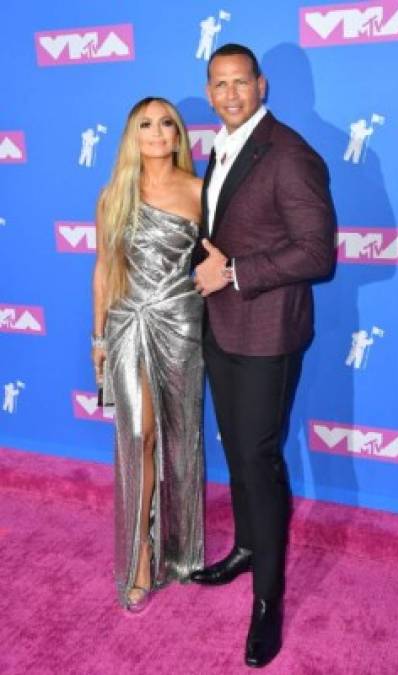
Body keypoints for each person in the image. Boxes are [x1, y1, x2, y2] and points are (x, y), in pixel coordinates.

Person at [191, 44, 335, 667]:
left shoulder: (291, 154)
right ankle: (247, 546)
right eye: (218, 84)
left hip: (268, 333)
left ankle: (269, 603)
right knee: (238, 452)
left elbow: (317, 253)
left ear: (261, 84)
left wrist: (237, 274)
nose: (228, 94)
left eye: (239, 83)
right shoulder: (219, 148)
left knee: (258, 457)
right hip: (221, 330)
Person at [92, 97, 204, 612]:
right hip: (127, 324)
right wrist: (98, 338)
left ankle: (180, 551)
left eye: (166, 123)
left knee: (176, 435)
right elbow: (104, 270)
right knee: (137, 436)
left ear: (178, 134)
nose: (157, 132)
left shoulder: (202, 191)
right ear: (131, 135)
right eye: (145, 124)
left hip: (180, 325)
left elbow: (223, 250)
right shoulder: (114, 194)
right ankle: (139, 558)